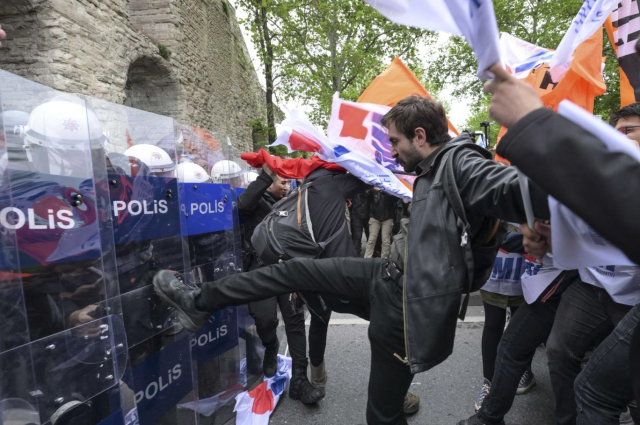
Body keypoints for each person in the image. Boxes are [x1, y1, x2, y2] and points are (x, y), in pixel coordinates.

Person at [153, 95, 548, 424]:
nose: (391, 150)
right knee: (292, 271)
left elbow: (519, 190)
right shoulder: (432, 167)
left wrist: (533, 212)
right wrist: (524, 227)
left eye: (394, 141)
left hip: (406, 306)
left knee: (381, 415)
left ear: (421, 135)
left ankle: (393, 392)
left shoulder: (459, 162)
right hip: (385, 274)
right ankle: (198, 302)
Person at [237, 163, 323, 404]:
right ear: (268, 182)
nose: (287, 186)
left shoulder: (291, 203)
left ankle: (299, 380)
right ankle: (271, 346)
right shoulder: (255, 202)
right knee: (265, 319)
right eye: (282, 182)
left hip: (287, 270)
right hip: (260, 272)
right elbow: (243, 205)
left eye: (288, 182)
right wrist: (266, 173)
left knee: (295, 322)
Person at [473, 231, 535, 413]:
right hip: (494, 268)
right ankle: (488, 383)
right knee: (493, 324)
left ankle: (525, 370)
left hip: (528, 268)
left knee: (523, 326)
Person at [364, 188, 397, 259]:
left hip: (388, 217)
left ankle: (384, 261)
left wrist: (380, 190)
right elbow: (366, 196)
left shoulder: (391, 185)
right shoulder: (373, 187)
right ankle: (367, 259)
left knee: (386, 241)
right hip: (374, 216)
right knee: (371, 239)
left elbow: (395, 199)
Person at [349, 191, 370, 256]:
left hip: (366, 213)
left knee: (369, 236)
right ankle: (356, 254)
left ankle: (357, 254)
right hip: (357, 214)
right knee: (357, 236)